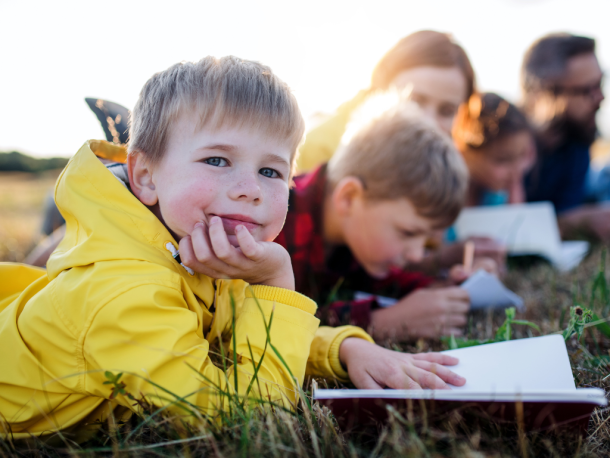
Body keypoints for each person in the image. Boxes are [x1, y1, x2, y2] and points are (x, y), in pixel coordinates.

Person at [0, 57, 465, 442]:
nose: (250, 190)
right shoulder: (124, 291)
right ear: (144, 175)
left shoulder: (192, 246)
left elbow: (235, 329)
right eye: (217, 160)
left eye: (271, 171)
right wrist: (275, 281)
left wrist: (345, 350)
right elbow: (244, 417)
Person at [275, 96, 494, 340]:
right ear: (349, 198)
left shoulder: (358, 234)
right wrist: (382, 322)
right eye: (408, 233)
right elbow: (270, 322)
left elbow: (391, 283)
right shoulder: (275, 223)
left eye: (425, 241)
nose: (416, 255)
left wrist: (446, 289)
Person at [297, 30, 476, 173]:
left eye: (447, 111)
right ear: (382, 83)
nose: (429, 121)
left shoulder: (451, 166)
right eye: (414, 101)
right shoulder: (320, 149)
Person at [522, 33, 609, 241]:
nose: (601, 97)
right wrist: (579, 221)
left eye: (601, 83)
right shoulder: (507, 144)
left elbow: (568, 207)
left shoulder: (576, 142)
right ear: (546, 94)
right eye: (587, 90)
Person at [452, 92, 535, 208]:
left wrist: (514, 188)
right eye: (503, 160)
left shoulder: (498, 191)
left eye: (522, 155)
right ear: (465, 152)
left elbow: (516, 215)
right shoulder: (447, 193)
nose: (516, 171)